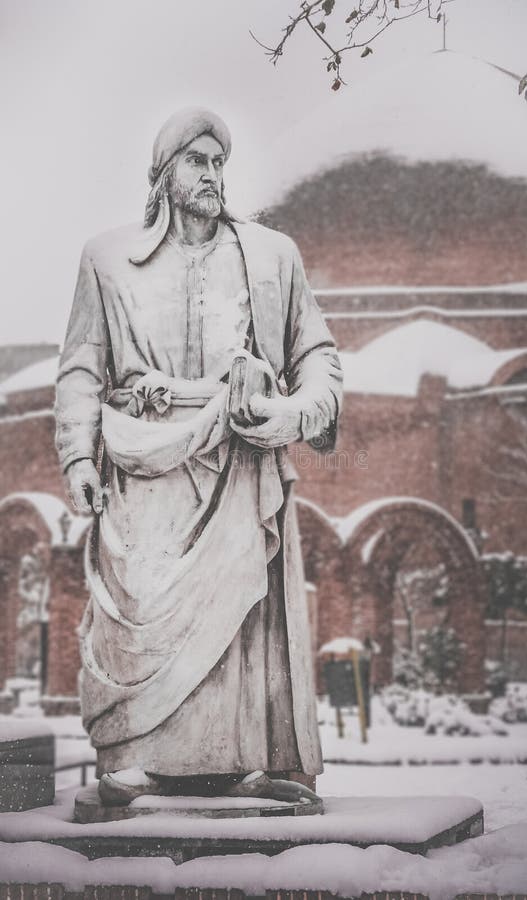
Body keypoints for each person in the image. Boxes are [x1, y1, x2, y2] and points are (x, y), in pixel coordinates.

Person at [55, 107, 343, 806]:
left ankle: (241, 760)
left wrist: (290, 414)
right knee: (140, 613)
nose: (213, 175)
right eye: (197, 161)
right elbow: (81, 370)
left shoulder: (273, 257)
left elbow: (321, 364)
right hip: (141, 469)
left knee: (238, 613)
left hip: (238, 464)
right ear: (164, 173)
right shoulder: (107, 259)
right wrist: (78, 459)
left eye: (219, 163)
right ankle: (136, 757)